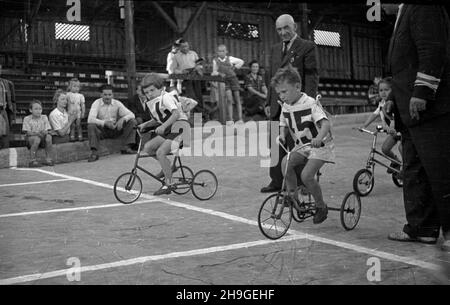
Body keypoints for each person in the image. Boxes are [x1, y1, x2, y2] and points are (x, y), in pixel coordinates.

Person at [384, 4, 450, 251]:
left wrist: (422, 91)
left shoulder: (423, 6)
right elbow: (403, 67)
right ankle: (422, 229)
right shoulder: (404, 12)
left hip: (428, 107)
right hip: (408, 109)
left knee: (440, 171)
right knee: (414, 170)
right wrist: (392, 96)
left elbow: (433, 50)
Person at [261, 13, 319, 193]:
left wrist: (306, 104)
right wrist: (268, 101)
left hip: (297, 104)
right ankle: (276, 181)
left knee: (299, 145)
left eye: (286, 28)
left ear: (295, 27)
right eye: (279, 29)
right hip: (276, 104)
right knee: (274, 143)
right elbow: (273, 77)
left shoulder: (307, 47)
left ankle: (301, 183)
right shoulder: (274, 48)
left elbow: (311, 76)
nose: (283, 32)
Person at [274, 66, 334, 224]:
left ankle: (321, 206)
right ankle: (293, 198)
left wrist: (319, 138)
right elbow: (283, 122)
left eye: (284, 92)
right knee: (285, 164)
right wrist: (281, 135)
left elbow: (326, 124)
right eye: (279, 93)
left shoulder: (311, 103)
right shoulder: (286, 106)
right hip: (302, 146)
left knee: (306, 175)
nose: (281, 96)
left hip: (320, 146)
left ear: (297, 87)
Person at [137, 73, 189, 195]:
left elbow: (175, 114)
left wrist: (163, 126)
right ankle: (169, 167)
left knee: (160, 152)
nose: (150, 94)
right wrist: (145, 124)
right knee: (148, 148)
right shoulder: (152, 102)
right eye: (147, 92)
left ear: (161, 89)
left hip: (180, 128)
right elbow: (159, 118)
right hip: (170, 130)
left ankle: (169, 184)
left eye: (152, 90)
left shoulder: (166, 97)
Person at [360, 77, 402, 173]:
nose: (383, 93)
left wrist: (391, 127)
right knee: (385, 149)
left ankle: (407, 168)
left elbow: (395, 118)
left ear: (393, 91)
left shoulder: (395, 103)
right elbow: (374, 115)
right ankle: (396, 162)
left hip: (401, 132)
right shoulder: (381, 104)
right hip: (393, 133)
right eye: (381, 90)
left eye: (387, 90)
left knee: (402, 148)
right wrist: (364, 126)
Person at [87, 84, 137, 162]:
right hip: (102, 130)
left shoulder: (117, 103)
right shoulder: (96, 103)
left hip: (115, 128)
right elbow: (90, 119)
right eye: (105, 94)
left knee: (132, 121)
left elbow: (132, 114)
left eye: (109, 94)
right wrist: (104, 123)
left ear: (113, 95)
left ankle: (126, 147)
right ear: (101, 95)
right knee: (91, 126)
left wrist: (122, 119)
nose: (107, 97)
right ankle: (94, 153)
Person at [170, 39, 204, 118]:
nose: (185, 48)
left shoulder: (193, 53)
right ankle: (197, 117)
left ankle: (200, 116)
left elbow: (199, 64)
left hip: (195, 76)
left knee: (199, 95)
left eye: (186, 46)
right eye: (183, 47)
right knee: (192, 97)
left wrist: (198, 68)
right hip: (185, 78)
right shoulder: (176, 56)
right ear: (180, 47)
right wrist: (182, 71)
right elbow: (173, 69)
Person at [211, 44, 245, 124]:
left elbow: (241, 61)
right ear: (217, 52)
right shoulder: (215, 61)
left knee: (237, 98)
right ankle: (231, 119)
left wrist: (234, 67)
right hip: (224, 81)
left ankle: (240, 119)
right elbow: (214, 72)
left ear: (226, 51)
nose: (221, 52)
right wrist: (218, 73)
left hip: (233, 79)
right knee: (229, 99)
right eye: (219, 51)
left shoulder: (230, 58)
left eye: (223, 51)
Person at [22, 100, 54, 167]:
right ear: (31, 110)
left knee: (49, 137)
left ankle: (48, 159)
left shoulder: (44, 117)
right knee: (37, 139)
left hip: (42, 138)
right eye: (36, 109)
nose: (38, 111)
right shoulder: (27, 119)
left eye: (40, 109)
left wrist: (45, 132)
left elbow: (47, 130)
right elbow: (28, 132)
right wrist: (37, 133)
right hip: (31, 139)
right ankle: (32, 160)